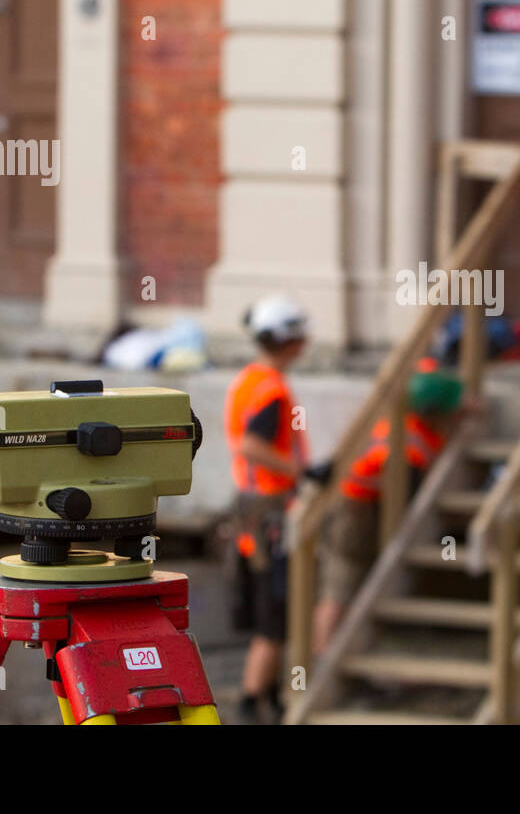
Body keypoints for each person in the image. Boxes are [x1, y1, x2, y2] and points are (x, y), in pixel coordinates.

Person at [311, 366, 466, 653]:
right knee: (341, 585)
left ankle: (332, 656)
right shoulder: (412, 448)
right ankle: (323, 661)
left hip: (360, 506)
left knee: (347, 586)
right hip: (357, 512)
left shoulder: (404, 425)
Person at [225, 294, 310, 724]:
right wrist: (303, 472)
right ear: (289, 340)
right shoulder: (272, 390)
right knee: (274, 615)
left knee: (266, 609)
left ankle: (269, 694)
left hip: (251, 513)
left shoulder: (248, 380)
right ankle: (254, 698)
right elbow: (252, 445)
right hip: (271, 515)